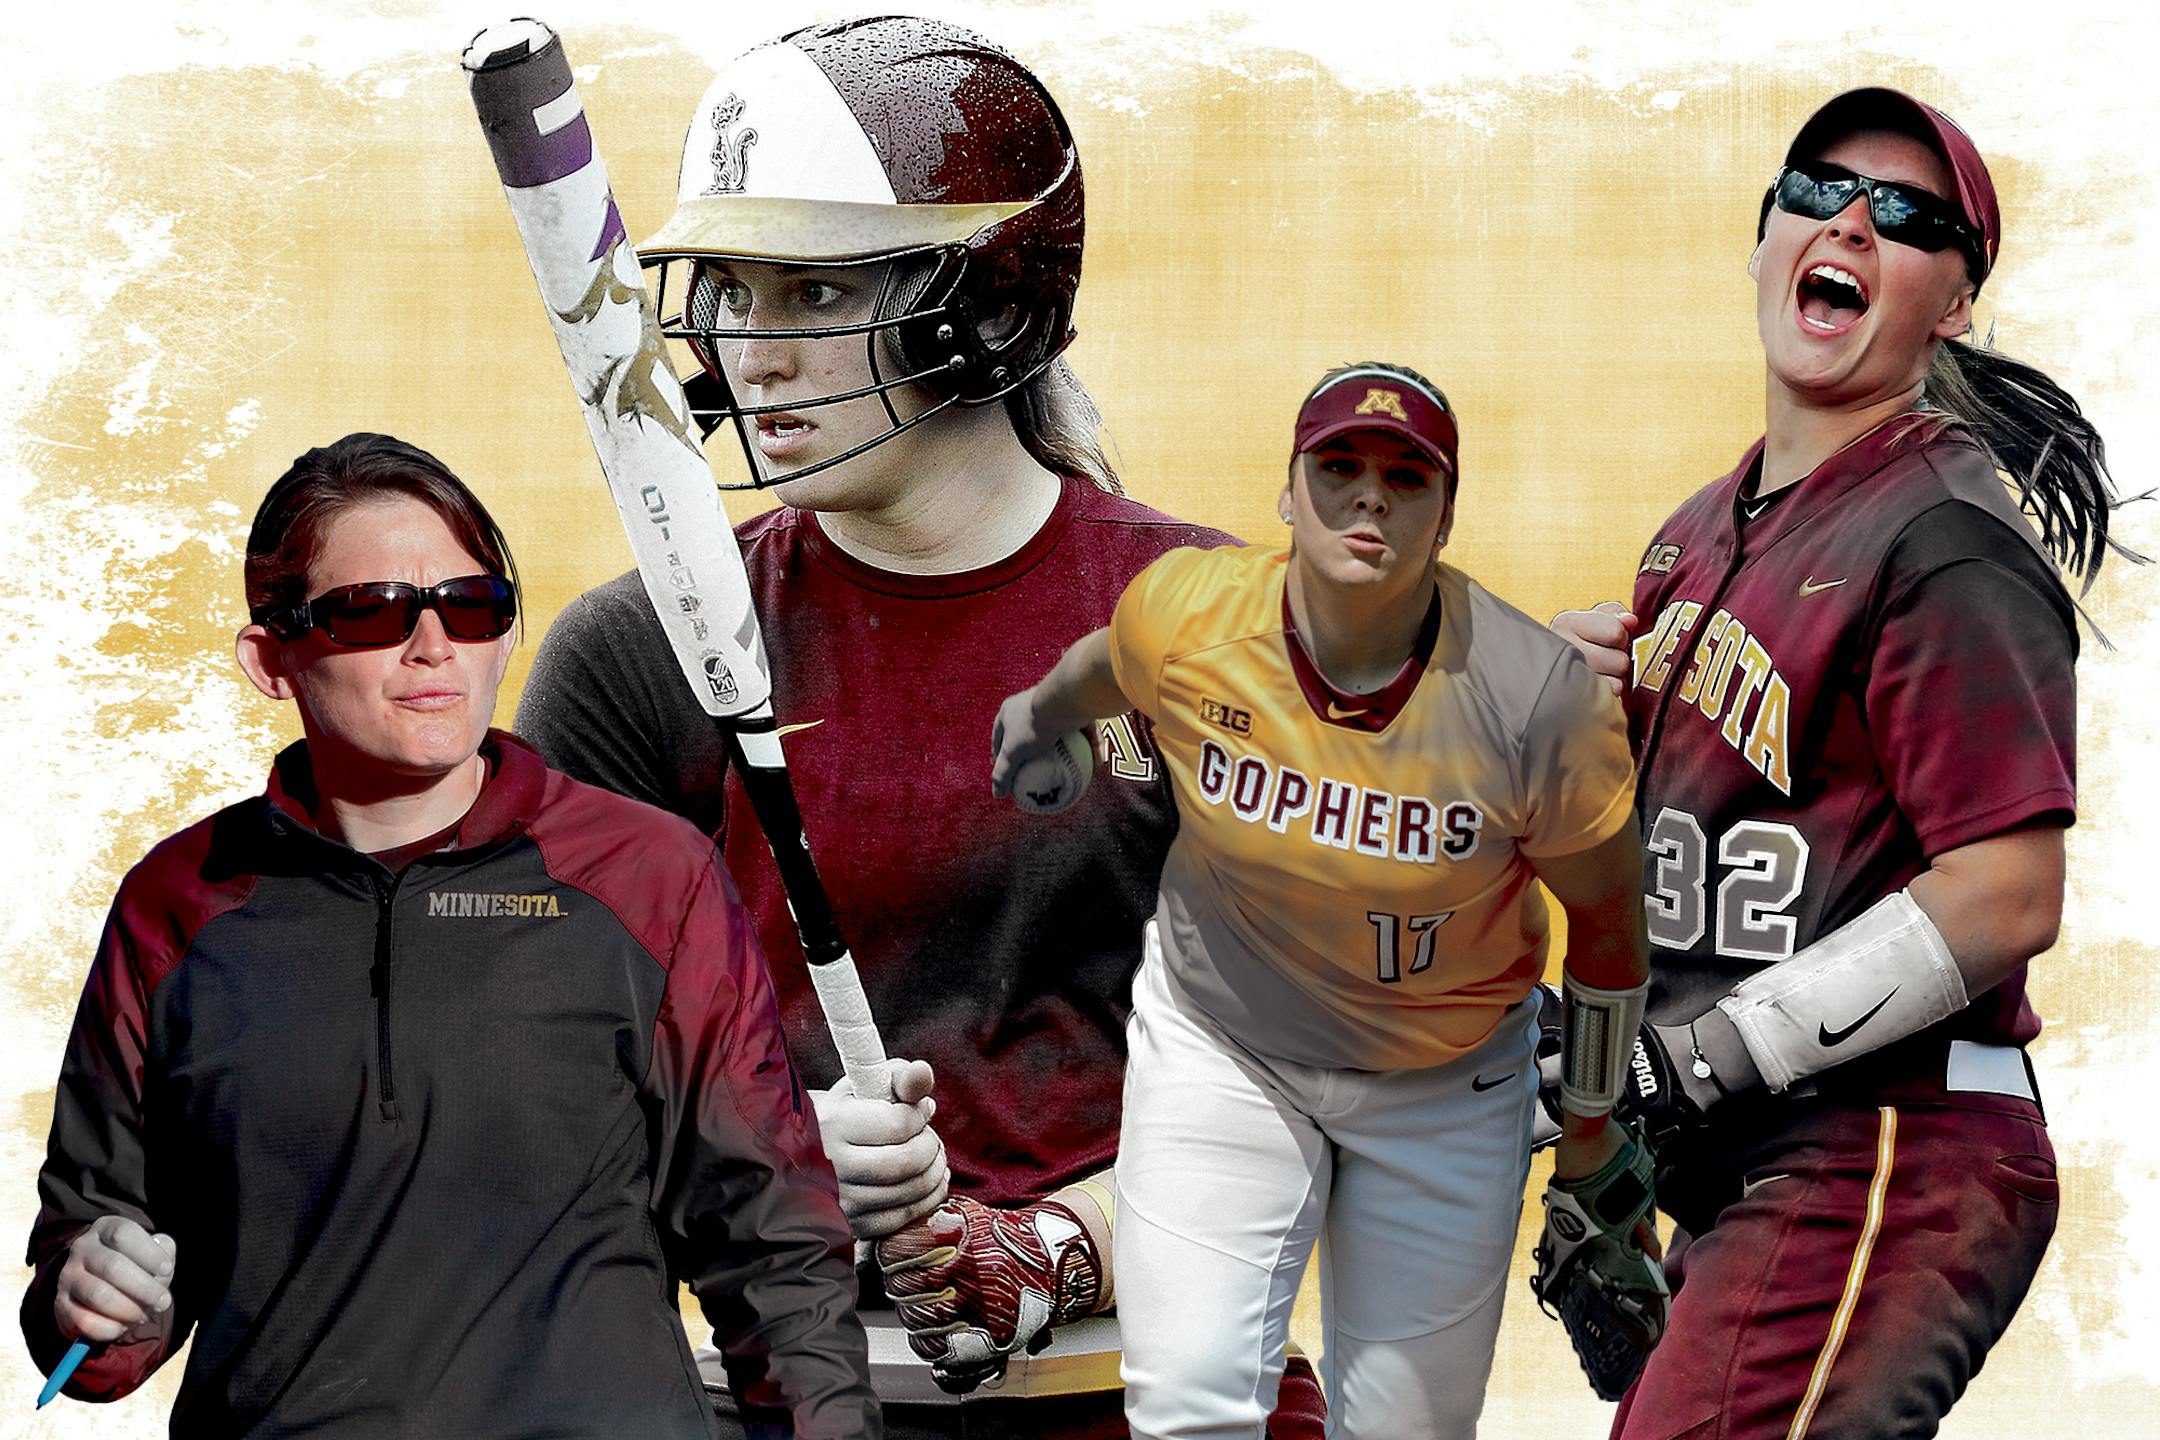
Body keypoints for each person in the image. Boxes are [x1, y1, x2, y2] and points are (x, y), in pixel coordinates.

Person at [513, 16, 1325, 1439]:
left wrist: (1051, 1248)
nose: (750, 355)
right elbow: (515, 1109)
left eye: (812, 290)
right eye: (736, 295)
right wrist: (768, 1160)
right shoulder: (634, 658)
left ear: (992, 298)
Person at [19, 433, 875, 1439]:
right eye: (371, 611)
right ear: (270, 657)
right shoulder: (178, 904)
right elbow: (88, 1309)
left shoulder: (649, 878)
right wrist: (96, 1311)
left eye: (471, 605)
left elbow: (771, 1247)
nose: (435, 647)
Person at [1551, 88, 2128, 1438]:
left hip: (1890, 1143)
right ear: (1762, 241)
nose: (1854, 221)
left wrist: (1699, 1064)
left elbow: (2006, 896)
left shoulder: (1944, 533)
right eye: (1818, 192)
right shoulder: (1693, 537)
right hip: (1751, 1163)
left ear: (1956, 302)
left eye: (1911, 219)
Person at [990, 362, 1659, 1439]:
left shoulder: (1539, 705)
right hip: (1227, 1046)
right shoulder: (1193, 611)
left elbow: (1611, 931)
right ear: (1287, 494)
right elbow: (1109, 665)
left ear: (1446, 517)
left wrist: (1589, 1132)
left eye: (1406, 477)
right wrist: (1037, 720)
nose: (1368, 497)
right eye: (1338, 466)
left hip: (1444, 1081)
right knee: (1189, 1397)